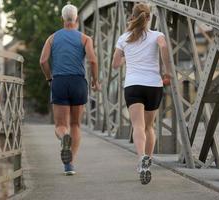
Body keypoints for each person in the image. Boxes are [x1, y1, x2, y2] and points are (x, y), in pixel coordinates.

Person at [112, 3, 172, 184]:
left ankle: (141, 159)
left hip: (133, 86)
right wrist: (167, 70)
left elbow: (115, 64)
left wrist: (126, 59)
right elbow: (163, 48)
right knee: (149, 126)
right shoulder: (158, 35)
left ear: (133, 16)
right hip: (153, 85)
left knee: (138, 126)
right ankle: (149, 160)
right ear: (149, 17)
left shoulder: (124, 38)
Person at [39, 3, 101, 176]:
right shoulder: (85, 38)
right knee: (75, 124)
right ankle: (70, 165)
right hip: (78, 83)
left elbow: (43, 61)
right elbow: (93, 61)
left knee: (61, 125)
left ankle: (63, 138)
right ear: (77, 19)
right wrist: (96, 81)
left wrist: (49, 77)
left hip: (59, 81)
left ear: (62, 19)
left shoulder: (52, 38)